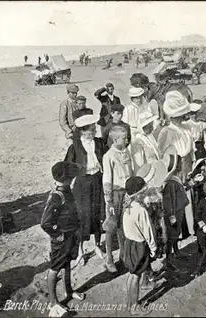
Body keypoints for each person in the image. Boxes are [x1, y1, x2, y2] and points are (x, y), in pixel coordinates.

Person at [40, 161, 85, 316]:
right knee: (55, 268)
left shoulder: (66, 191)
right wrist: (58, 235)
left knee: (67, 264)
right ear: (66, 179)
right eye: (71, 179)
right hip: (61, 239)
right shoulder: (56, 196)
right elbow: (45, 223)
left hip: (71, 235)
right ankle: (53, 303)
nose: (72, 181)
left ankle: (69, 291)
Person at [64, 114, 107, 265]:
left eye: (95, 129)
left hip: (98, 181)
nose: (94, 132)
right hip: (82, 185)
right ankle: (81, 249)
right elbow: (67, 167)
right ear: (83, 131)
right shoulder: (75, 147)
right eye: (91, 130)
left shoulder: (100, 143)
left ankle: (97, 245)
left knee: (98, 213)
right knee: (83, 216)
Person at [158, 91, 201, 238]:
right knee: (177, 197)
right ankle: (180, 230)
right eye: (177, 116)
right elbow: (163, 153)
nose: (180, 118)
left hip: (187, 165)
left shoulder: (186, 129)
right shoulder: (166, 132)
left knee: (189, 194)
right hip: (175, 168)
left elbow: (190, 149)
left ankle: (190, 227)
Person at [122, 176, 157, 315]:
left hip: (129, 244)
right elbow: (148, 232)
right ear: (139, 194)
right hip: (139, 246)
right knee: (137, 276)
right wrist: (153, 248)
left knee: (132, 274)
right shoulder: (141, 211)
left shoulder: (127, 207)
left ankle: (130, 302)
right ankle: (135, 307)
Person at [102, 126, 133, 273]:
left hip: (126, 192)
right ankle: (109, 258)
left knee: (124, 225)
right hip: (115, 194)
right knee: (112, 226)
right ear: (115, 139)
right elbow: (107, 179)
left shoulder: (126, 151)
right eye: (124, 138)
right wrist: (109, 201)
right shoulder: (109, 156)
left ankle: (123, 256)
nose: (127, 140)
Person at [161, 147, 190, 272]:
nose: (182, 165)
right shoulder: (171, 183)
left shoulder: (175, 179)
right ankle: (168, 260)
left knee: (176, 234)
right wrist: (172, 216)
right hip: (174, 214)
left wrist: (192, 182)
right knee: (171, 236)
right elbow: (168, 202)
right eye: (180, 163)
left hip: (179, 211)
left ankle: (176, 251)